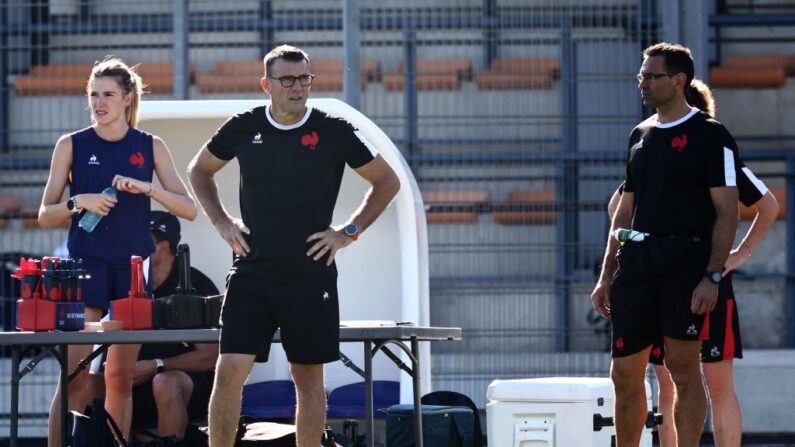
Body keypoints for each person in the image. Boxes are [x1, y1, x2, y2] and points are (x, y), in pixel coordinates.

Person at [187, 45, 400, 447]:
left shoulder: (335, 129)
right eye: (288, 80)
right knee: (229, 370)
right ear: (267, 85)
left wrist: (348, 232)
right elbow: (200, 169)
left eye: (305, 78)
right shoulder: (243, 125)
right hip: (252, 271)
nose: (298, 87)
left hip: (310, 275)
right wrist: (220, 220)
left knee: (308, 378)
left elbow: (388, 182)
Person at [608, 80, 779, 447]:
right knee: (671, 385)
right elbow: (618, 207)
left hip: (703, 277)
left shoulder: (714, 150)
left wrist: (736, 256)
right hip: (659, 275)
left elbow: (767, 205)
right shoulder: (648, 144)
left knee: (706, 385)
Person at [37, 56, 197, 446]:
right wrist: (80, 202)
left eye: (108, 94)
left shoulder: (150, 145)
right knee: (73, 374)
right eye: (93, 94)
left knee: (118, 376)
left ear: (128, 98)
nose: (98, 102)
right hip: (85, 264)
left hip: (132, 268)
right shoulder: (71, 144)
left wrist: (149, 189)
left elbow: (189, 207)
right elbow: (45, 215)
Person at [591, 43, 740, 447]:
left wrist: (712, 275)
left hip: (687, 264)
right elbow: (623, 214)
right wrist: (607, 275)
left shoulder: (712, 136)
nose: (642, 82)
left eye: (651, 76)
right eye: (641, 75)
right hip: (639, 263)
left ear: (678, 81)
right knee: (623, 372)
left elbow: (729, 212)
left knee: (681, 367)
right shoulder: (639, 135)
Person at [85, 211, 220, 443]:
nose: (132, 246)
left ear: (163, 246)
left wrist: (157, 365)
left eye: (142, 240)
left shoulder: (196, 284)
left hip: (185, 385)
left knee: (165, 382)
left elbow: (212, 356)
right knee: (83, 384)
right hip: (128, 380)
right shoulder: (121, 281)